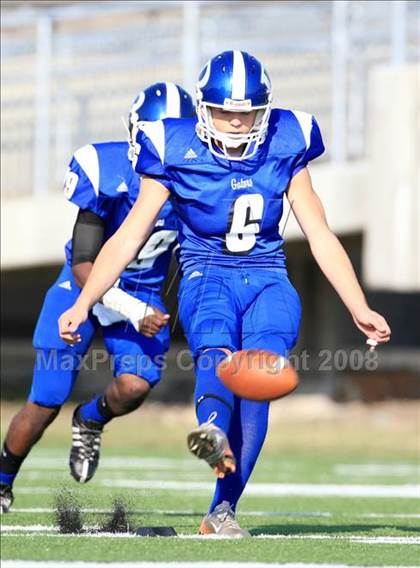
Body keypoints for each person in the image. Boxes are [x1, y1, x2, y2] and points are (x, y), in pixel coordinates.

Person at [57, 50, 391, 537]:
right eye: (223, 112)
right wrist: (83, 303)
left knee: (261, 379)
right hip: (206, 273)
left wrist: (358, 304)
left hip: (268, 274)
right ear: (202, 108)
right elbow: (128, 236)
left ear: (264, 108)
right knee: (216, 351)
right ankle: (212, 428)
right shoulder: (173, 148)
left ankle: (222, 510)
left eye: (247, 112)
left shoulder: (287, 139)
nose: (236, 122)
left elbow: (319, 232)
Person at [0, 82, 195, 514]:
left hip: (144, 289)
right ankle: (2, 479)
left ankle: (90, 419)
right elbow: (85, 261)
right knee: (46, 398)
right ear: (134, 134)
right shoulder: (106, 171)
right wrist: (131, 308)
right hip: (82, 289)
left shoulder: (198, 185)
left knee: (136, 385)